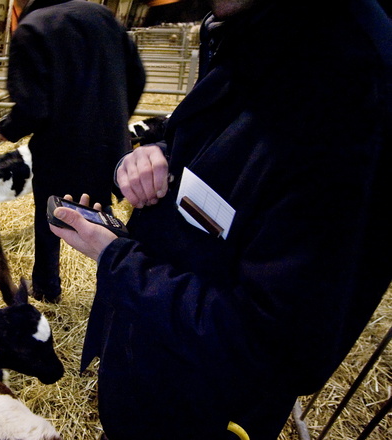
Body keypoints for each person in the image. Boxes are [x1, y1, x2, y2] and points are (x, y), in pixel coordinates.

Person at [50, 0, 392, 438]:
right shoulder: (254, 34)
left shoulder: (346, 92)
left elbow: (271, 344)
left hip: (197, 413)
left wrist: (116, 258)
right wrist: (152, 158)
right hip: (150, 372)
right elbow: (222, 161)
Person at [0, 0, 146, 303]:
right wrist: (114, 122)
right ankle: (120, 286)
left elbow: (34, 107)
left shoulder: (32, 28)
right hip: (106, 148)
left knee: (52, 216)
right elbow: (138, 77)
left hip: (58, 151)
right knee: (102, 215)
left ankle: (47, 289)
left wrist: (6, 129)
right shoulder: (103, 16)